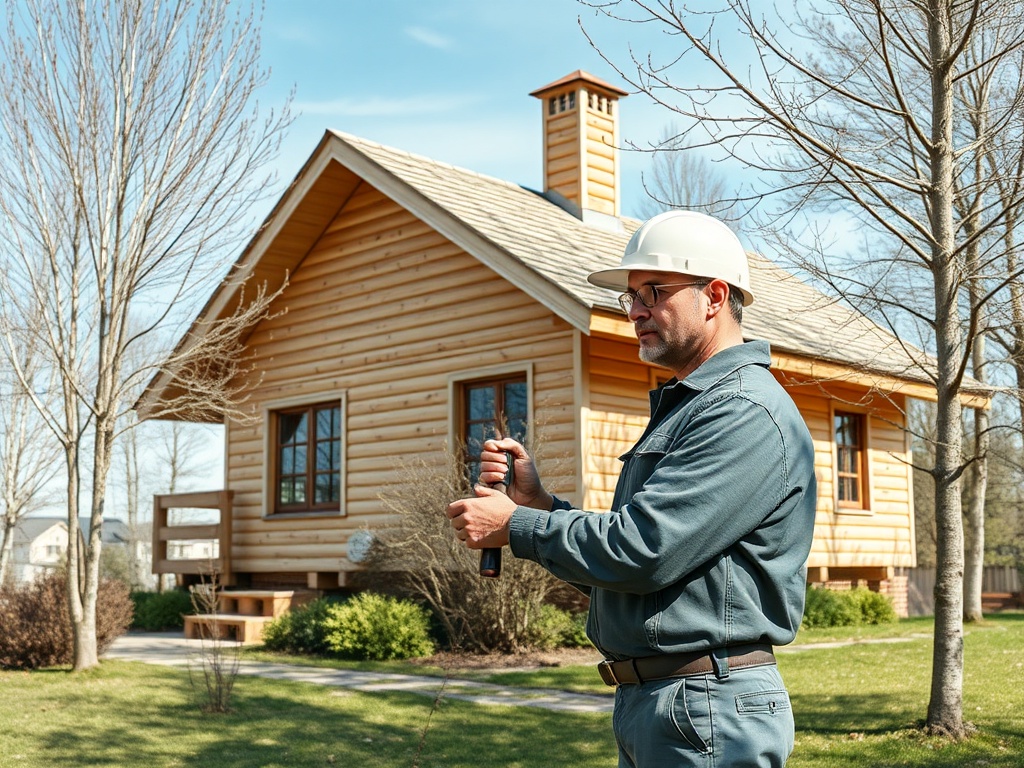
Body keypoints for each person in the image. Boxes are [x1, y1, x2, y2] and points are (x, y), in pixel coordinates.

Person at [446, 210, 817, 768]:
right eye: (630, 297)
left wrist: (515, 525)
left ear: (714, 295)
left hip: (707, 706)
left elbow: (643, 551)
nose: (636, 311)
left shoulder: (741, 412)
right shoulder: (696, 405)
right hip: (670, 704)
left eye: (653, 291)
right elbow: (634, 557)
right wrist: (540, 507)